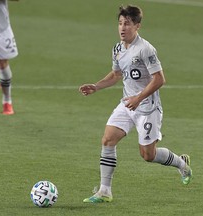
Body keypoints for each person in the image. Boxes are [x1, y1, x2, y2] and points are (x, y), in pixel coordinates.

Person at [79, 5, 192, 203]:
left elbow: (159, 79)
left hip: (147, 107)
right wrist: (96, 86)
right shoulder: (117, 48)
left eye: (128, 24)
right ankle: (105, 191)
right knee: (108, 140)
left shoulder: (146, 49)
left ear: (137, 26)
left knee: (148, 155)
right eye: (120, 23)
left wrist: (138, 98)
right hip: (127, 104)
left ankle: (181, 163)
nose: (123, 28)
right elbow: (116, 74)